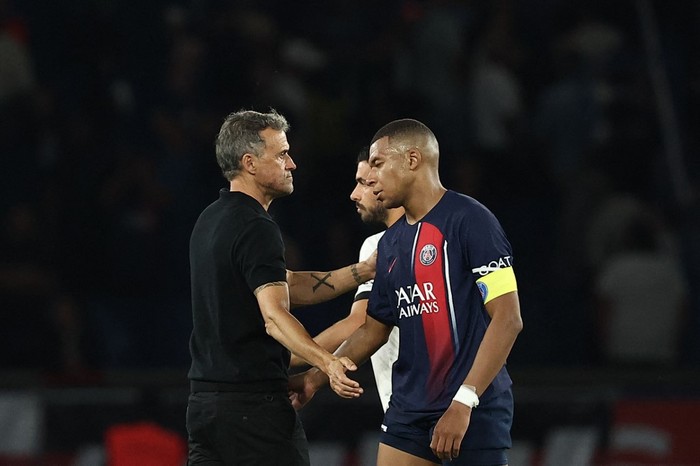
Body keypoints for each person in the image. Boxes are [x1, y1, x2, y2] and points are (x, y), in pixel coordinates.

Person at [290, 119, 523, 466]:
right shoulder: (390, 244)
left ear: (413, 160)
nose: (371, 177)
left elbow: (508, 318)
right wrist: (313, 379)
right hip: (408, 413)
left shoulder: (471, 219)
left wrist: (464, 401)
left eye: (379, 164)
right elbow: (372, 329)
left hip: (471, 408)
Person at [186, 109, 376, 466]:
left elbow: (286, 283)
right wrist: (328, 364)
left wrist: (363, 271)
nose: (292, 164)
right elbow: (273, 315)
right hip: (253, 412)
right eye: (281, 154)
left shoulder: (210, 219)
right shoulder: (257, 226)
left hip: (205, 408)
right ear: (250, 163)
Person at [290, 147, 405, 413]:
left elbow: (359, 322)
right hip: (416, 404)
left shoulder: (381, 246)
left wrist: (293, 356)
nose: (354, 194)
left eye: (365, 183)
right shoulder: (384, 246)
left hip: (426, 404)